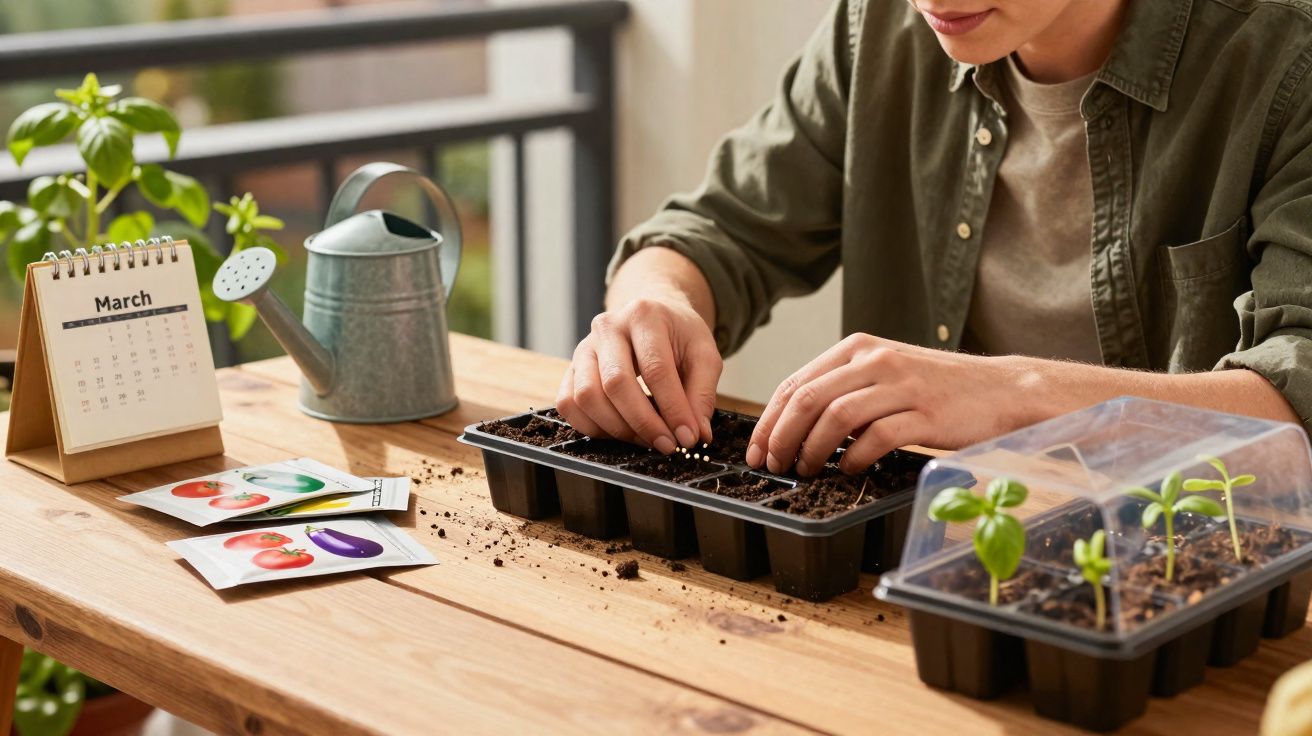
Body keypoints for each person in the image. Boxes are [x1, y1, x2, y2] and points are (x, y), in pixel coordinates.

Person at [556, 0, 1312, 477]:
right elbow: (715, 229)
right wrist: (653, 306)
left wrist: (1010, 394)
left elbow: (1298, 394)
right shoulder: (879, 25)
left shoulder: (1287, 59)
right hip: (941, 557)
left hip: (1201, 580)